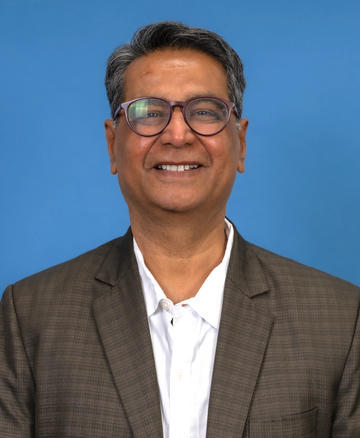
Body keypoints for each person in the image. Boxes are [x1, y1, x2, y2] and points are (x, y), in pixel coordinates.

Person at [0, 21, 359, 438]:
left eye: (204, 111)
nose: (176, 134)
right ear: (111, 143)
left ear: (240, 143)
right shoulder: (30, 316)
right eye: (149, 113)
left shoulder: (341, 320)